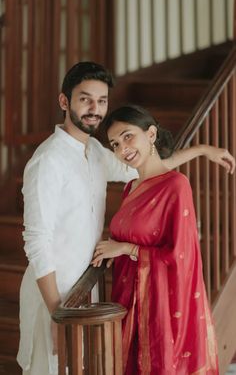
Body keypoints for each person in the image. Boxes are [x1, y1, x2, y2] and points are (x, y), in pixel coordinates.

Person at [17, 62, 234, 375]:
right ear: (64, 102)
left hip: (87, 288)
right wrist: (57, 314)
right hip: (55, 292)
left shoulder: (94, 151)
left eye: (102, 101)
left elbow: (147, 166)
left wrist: (202, 150)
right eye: (85, 99)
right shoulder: (47, 161)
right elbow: (36, 241)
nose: (95, 108)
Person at [92, 104, 228, 374]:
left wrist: (124, 248)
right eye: (115, 144)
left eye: (128, 136)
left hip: (160, 305)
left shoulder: (176, 185)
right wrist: (113, 250)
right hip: (128, 297)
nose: (122, 149)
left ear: (151, 134)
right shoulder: (131, 187)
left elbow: (182, 254)